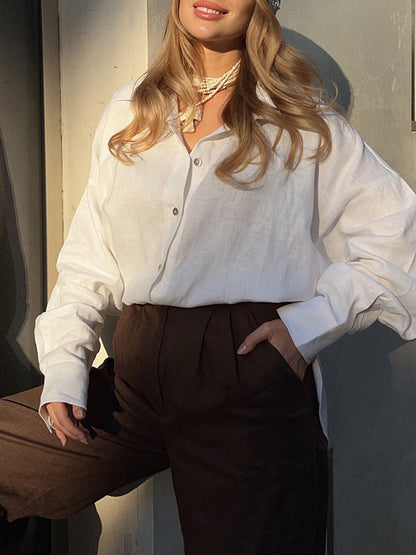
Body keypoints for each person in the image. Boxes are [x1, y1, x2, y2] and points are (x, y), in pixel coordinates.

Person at [1, 0, 416, 553]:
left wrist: (309, 327)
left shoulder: (300, 117)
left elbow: (399, 241)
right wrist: (63, 365)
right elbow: (89, 257)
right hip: (134, 377)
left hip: (246, 376)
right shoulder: (131, 108)